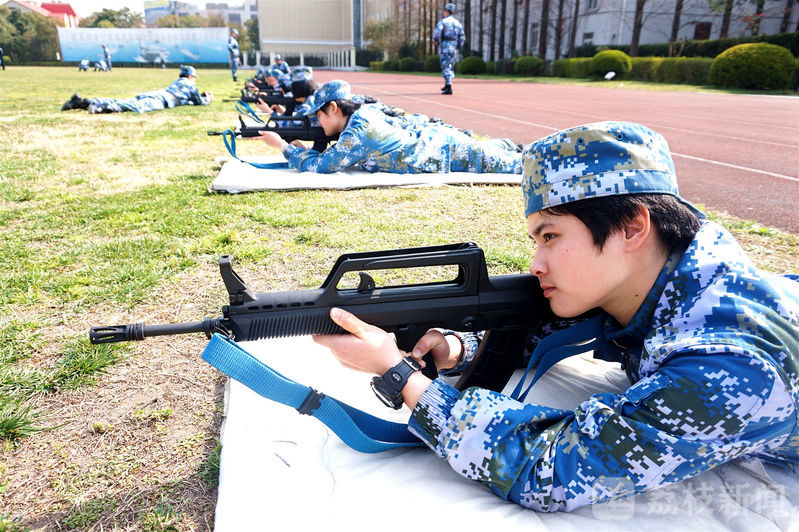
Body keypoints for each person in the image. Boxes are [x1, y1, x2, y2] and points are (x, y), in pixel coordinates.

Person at [311, 121, 799, 511]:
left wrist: (400, 378)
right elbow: (556, 328)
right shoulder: (657, 277)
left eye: (551, 237)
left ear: (633, 226)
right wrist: (458, 348)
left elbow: (553, 470)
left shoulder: (730, 362)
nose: (535, 265)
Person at [254, 80, 522, 174]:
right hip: (439, 141)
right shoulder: (361, 115)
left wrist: (282, 146)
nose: (317, 122)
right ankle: (510, 146)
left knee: (517, 167)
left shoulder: (358, 133)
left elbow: (323, 166)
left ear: (334, 108)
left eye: (319, 116)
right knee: (496, 152)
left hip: (443, 151)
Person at [61, 65, 213, 113]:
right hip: (163, 100)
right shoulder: (190, 84)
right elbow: (198, 101)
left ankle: (85, 102)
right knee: (134, 106)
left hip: (158, 93)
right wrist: (208, 98)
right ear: (191, 76)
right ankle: (100, 108)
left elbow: (188, 101)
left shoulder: (177, 82)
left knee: (127, 100)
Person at [433, 2, 464, 95]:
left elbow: (438, 31)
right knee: (450, 64)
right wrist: (458, 46)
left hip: (445, 45)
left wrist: (436, 40)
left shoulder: (443, 21)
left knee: (445, 65)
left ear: (446, 11)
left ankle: (449, 86)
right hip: (453, 45)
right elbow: (461, 36)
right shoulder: (457, 23)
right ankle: (447, 84)